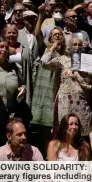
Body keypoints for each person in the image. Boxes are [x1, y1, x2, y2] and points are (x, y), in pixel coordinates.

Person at [41, 39, 92, 137]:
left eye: (79, 44)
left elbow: (90, 82)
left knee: (81, 130)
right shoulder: (62, 59)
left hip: (81, 101)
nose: (77, 47)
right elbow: (44, 63)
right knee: (65, 129)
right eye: (74, 44)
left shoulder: (86, 60)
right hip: (65, 100)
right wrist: (52, 48)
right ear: (69, 47)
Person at [0, 36, 27, 155]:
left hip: (9, 118)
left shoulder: (14, 68)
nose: (4, 50)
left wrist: (22, 89)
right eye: (0, 46)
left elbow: (20, 84)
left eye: (6, 47)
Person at [30, 28, 65, 156]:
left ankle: (48, 156)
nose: (57, 35)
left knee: (50, 129)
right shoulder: (43, 48)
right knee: (36, 129)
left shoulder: (63, 54)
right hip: (40, 90)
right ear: (49, 37)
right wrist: (52, 48)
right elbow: (37, 33)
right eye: (54, 34)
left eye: (59, 34)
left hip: (53, 91)